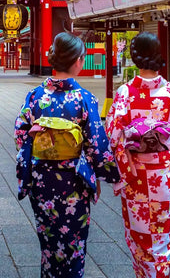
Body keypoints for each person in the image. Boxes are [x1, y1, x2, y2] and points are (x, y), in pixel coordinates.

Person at [14, 32, 120, 278]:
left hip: (42, 180)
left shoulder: (35, 96)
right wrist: (110, 176)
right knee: (73, 245)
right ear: (77, 61)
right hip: (73, 181)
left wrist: (35, 139)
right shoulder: (84, 98)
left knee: (49, 243)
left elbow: (21, 135)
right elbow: (96, 143)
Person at [105, 32, 170, 278]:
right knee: (161, 236)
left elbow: (113, 132)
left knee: (139, 236)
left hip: (136, 174)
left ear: (134, 56)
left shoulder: (125, 93)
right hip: (162, 175)